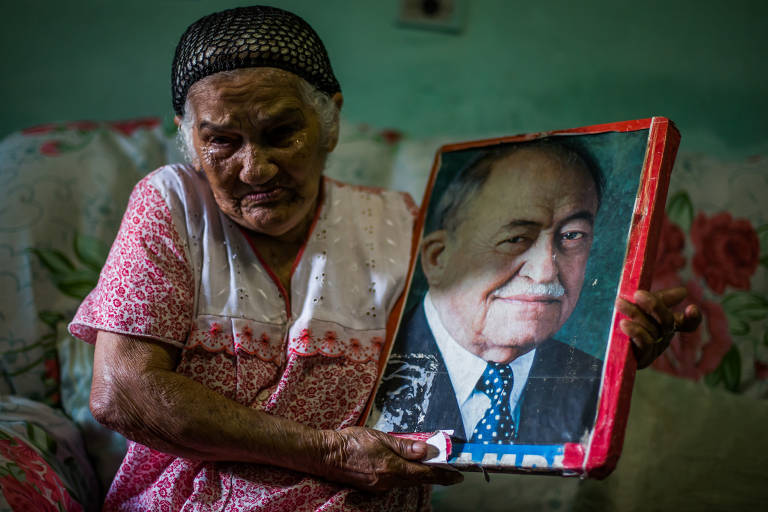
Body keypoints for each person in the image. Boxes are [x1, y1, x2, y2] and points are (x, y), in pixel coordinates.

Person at [67, 5, 697, 511]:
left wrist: (608, 364)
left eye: (282, 131)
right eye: (221, 141)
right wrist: (329, 452)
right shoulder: (172, 202)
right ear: (188, 137)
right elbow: (122, 391)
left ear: (330, 121)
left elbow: (481, 363)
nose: (254, 167)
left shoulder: (401, 225)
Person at [373, 142, 701, 446]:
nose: (546, 270)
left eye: (573, 235)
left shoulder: (591, 377)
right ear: (438, 258)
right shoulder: (367, 358)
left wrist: (624, 367)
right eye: (516, 238)